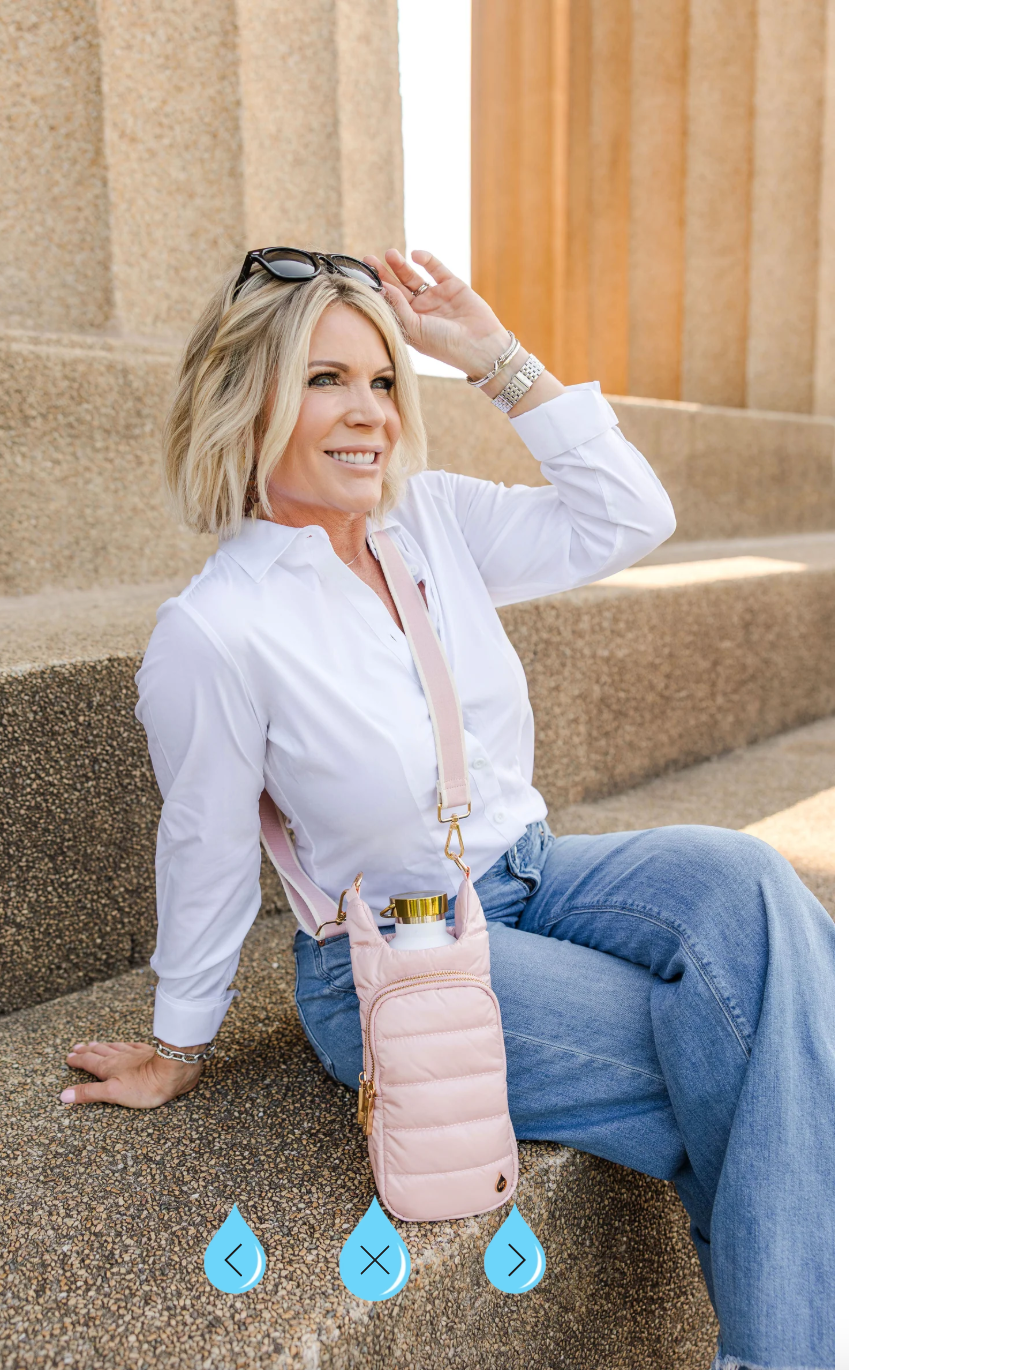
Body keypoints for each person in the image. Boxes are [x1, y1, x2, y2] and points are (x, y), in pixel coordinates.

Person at [58, 246, 835, 1370]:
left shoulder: (429, 524)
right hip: (389, 946)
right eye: (325, 379)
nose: (367, 411)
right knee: (773, 1054)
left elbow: (627, 516)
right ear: (249, 395)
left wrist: (488, 356)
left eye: (380, 381)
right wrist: (180, 1038)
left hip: (536, 871)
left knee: (749, 881)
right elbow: (205, 842)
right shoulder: (216, 627)